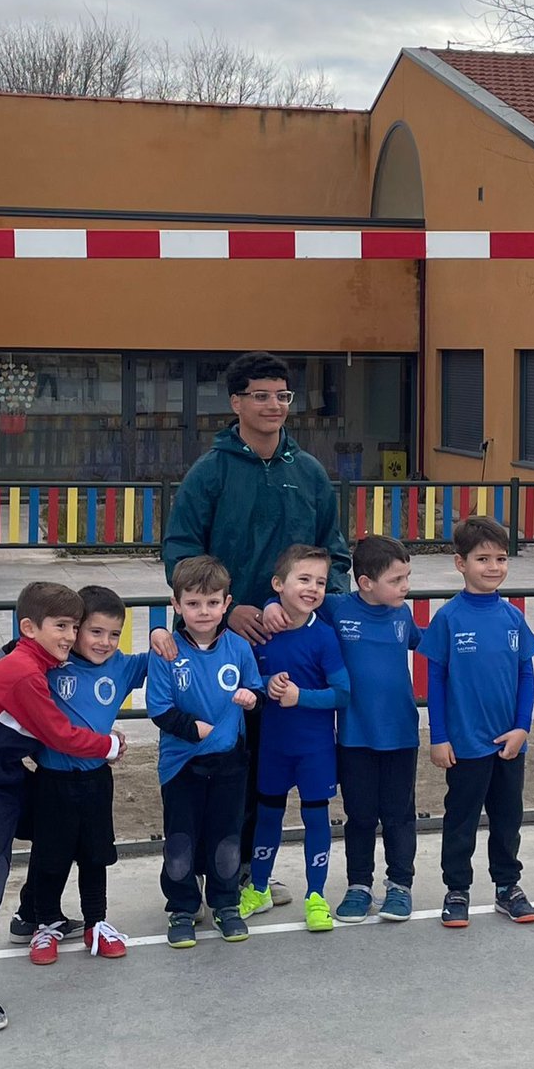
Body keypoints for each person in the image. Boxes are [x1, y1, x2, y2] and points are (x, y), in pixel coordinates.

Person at [162, 350, 351, 906]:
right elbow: (180, 554)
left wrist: (308, 611)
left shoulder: (308, 472)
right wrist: (232, 610)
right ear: (236, 402)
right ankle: (192, 880)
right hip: (220, 647)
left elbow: (334, 554)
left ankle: (242, 873)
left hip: (289, 654)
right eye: (261, 396)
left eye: (282, 395)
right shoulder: (210, 472)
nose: (274, 405)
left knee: (262, 766)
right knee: (215, 761)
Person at [0, 581, 127, 1033]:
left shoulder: (35, 662)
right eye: (61, 626)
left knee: (61, 821)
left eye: (74, 627)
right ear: (29, 627)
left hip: (4, 774)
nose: (70, 636)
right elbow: (59, 734)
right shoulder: (23, 672)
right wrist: (110, 745)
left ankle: (33, 915)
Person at [13, 585, 147, 966]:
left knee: (95, 855)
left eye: (114, 634)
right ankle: (45, 924)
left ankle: (96, 923)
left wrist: (160, 635)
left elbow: (168, 657)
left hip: (96, 781)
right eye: (95, 631)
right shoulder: (50, 663)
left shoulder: (123, 667)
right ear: (75, 630)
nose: (105, 642)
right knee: (49, 857)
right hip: (51, 780)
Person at [420, 516, 534, 928]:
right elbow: (435, 682)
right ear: (461, 563)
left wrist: (522, 727)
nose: (493, 567)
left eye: (501, 558)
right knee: (461, 819)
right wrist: (439, 737)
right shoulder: (449, 618)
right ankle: (457, 889)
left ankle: (508, 886)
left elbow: (526, 675)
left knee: (508, 819)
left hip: (509, 743)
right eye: (483, 558)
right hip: (465, 743)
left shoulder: (512, 617)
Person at [148, 555, 263, 949]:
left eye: (212, 602)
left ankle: (225, 904)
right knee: (181, 841)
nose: (203, 611)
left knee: (226, 838)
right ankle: (182, 908)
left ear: (226, 603)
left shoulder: (239, 648)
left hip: (230, 764)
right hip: (182, 766)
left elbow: (255, 691)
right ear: (177, 604)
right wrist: (192, 729)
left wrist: (252, 699)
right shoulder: (166, 651)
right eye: (193, 603)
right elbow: (159, 708)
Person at [240, 545, 351, 932]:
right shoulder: (261, 633)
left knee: (316, 818)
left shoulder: (324, 637)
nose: (313, 588)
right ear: (278, 584)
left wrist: (299, 696)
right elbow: (245, 680)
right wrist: (266, 684)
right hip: (273, 747)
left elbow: (342, 693)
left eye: (320, 582)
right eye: (303, 579)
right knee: (268, 815)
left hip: (314, 749)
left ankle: (316, 896)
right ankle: (259, 888)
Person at [320, 534, 423, 924]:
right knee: (360, 815)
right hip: (355, 736)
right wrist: (270, 607)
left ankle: (399, 885)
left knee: (399, 816)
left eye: (407, 577)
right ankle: (359, 886)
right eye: (396, 580)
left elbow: (427, 643)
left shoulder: (402, 615)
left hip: (401, 735)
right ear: (365, 583)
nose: (405, 586)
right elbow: (295, 601)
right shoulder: (338, 609)